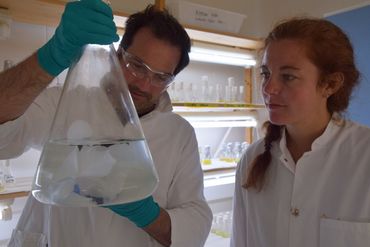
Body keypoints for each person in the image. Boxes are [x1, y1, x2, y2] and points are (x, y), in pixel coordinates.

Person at [0, 1, 212, 246]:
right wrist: (51, 56)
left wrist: (147, 215)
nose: (144, 84)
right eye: (137, 66)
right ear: (119, 54)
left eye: (160, 77)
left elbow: (195, 224)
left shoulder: (179, 134)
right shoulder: (67, 100)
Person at [231, 17, 370, 247]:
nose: (268, 88)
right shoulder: (251, 160)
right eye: (266, 73)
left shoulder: (364, 157)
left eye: (288, 76)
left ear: (330, 84)